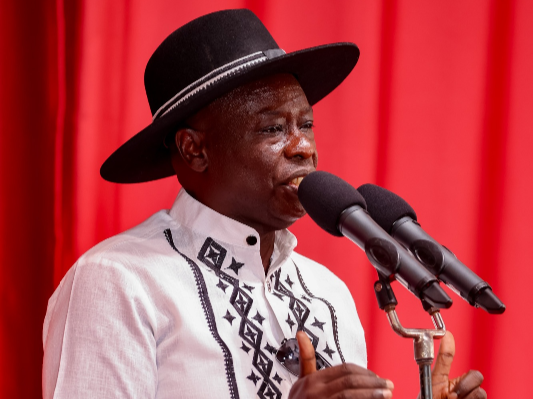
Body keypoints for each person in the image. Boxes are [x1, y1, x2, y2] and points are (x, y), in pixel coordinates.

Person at [42, 9, 486, 399]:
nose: (303, 148)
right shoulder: (119, 282)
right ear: (195, 149)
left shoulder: (329, 295)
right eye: (273, 129)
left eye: (306, 124)